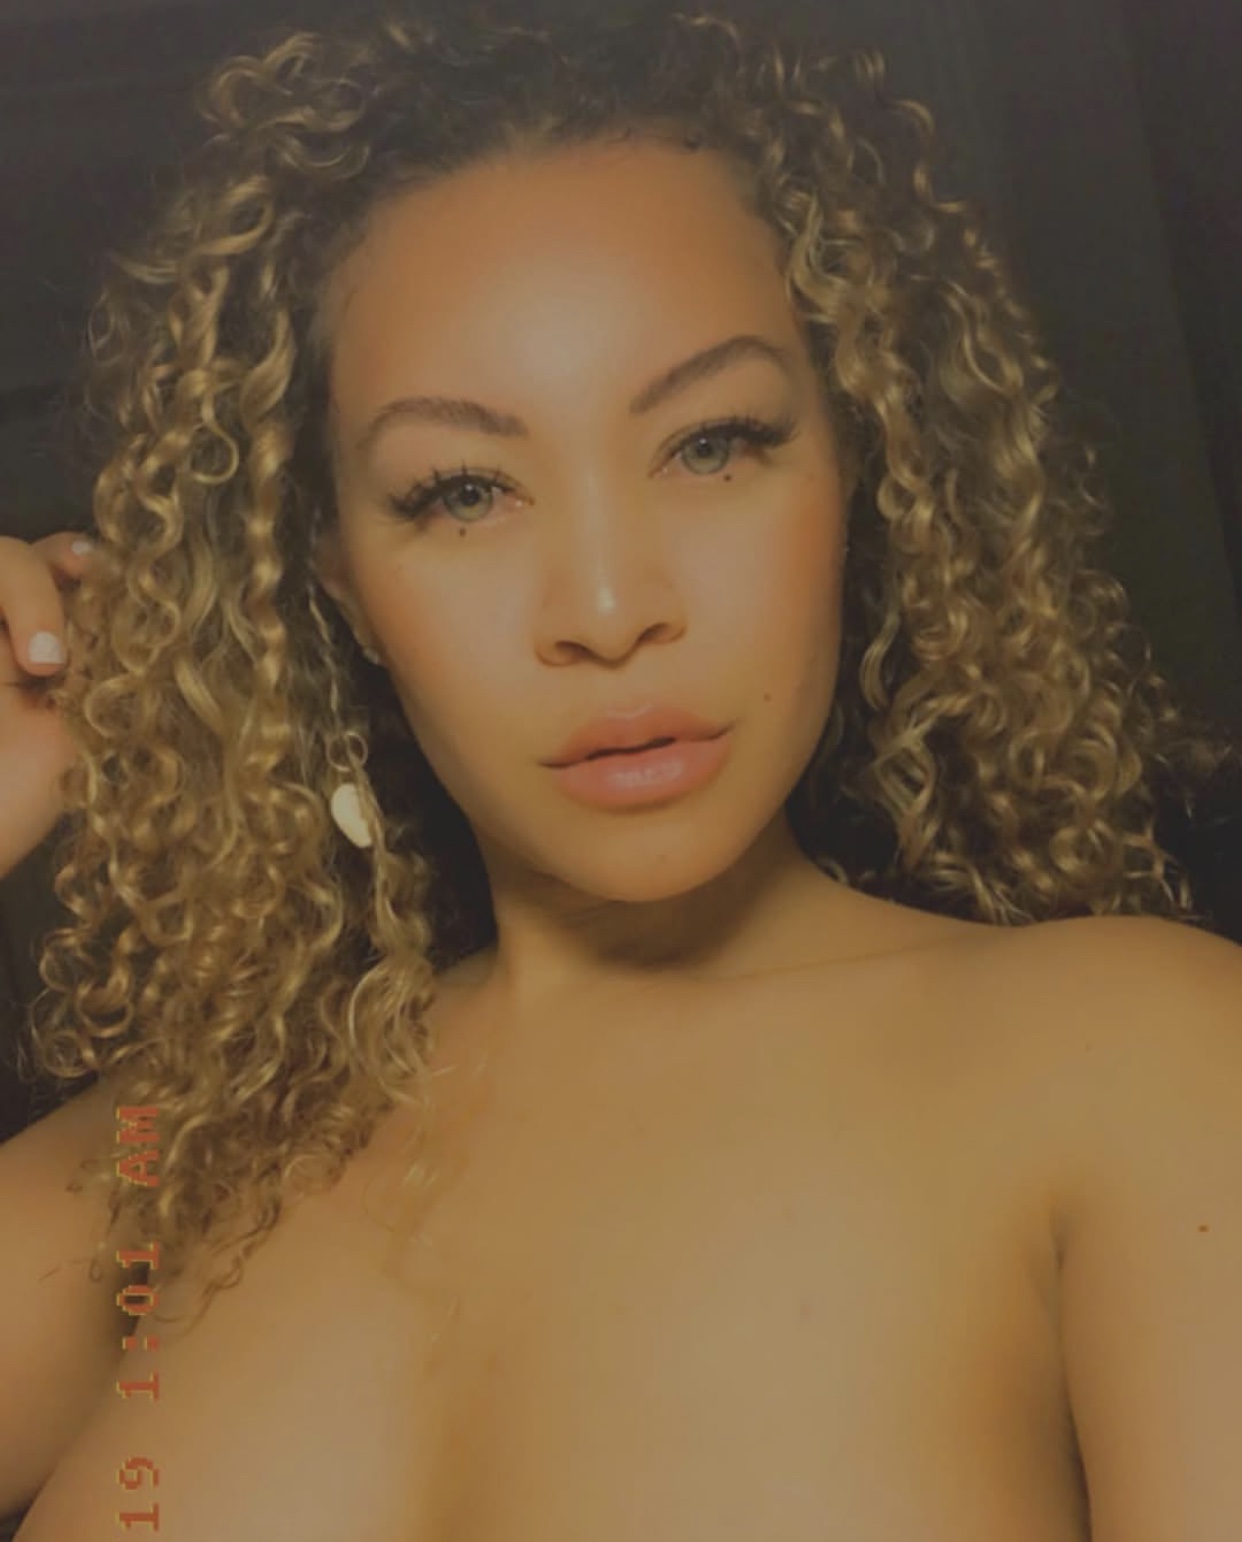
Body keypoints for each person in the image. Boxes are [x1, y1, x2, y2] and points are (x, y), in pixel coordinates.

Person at [1, 2, 1240, 1537]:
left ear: (857, 464)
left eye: (710, 444)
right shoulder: (176, 1154)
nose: (604, 607)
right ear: (335, 576)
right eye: (462, 490)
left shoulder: (1138, 1064)